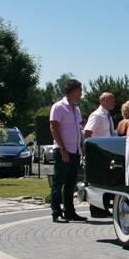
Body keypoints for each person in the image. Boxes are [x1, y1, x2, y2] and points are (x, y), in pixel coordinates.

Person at [49, 79, 86, 223]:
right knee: (58, 183)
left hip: (75, 151)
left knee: (70, 184)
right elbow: (54, 128)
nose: (81, 94)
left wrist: (81, 147)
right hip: (63, 150)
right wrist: (63, 149)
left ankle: (70, 211)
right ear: (71, 91)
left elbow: (78, 128)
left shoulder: (76, 109)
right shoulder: (58, 107)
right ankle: (56, 212)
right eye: (79, 90)